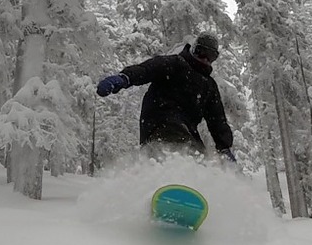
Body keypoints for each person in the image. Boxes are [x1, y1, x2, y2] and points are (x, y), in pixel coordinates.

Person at [96, 31, 236, 162]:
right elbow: (147, 69)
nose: (205, 59)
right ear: (193, 49)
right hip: (160, 122)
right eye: (201, 52)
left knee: (201, 157)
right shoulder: (174, 64)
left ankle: (196, 182)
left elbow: (217, 119)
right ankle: (167, 171)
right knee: (181, 145)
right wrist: (125, 78)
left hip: (187, 131)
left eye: (210, 56)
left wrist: (224, 148)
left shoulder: (209, 86)